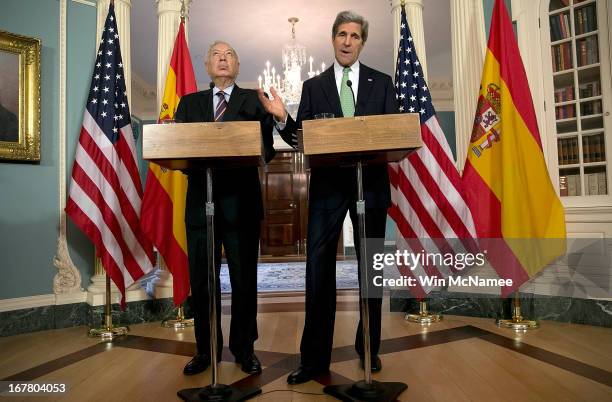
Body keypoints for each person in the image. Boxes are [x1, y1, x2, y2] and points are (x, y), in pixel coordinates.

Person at [258, 10, 399, 384]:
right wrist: (283, 118)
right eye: (342, 34)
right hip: (326, 189)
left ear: (362, 42)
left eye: (355, 35)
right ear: (333, 39)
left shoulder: (382, 83)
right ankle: (313, 359)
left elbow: (392, 134)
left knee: (371, 271)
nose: (347, 41)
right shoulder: (313, 86)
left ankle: (369, 347)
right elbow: (299, 139)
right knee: (318, 271)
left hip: (370, 186)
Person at [175, 41, 292, 376]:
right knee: (202, 282)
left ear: (237, 65)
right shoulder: (189, 103)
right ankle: (205, 350)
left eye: (229, 55)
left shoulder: (255, 101)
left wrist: (278, 117)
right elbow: (181, 153)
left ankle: (244, 349)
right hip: (201, 206)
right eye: (216, 54)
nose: (223, 58)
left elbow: (267, 152)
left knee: (244, 282)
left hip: (242, 206)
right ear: (207, 65)